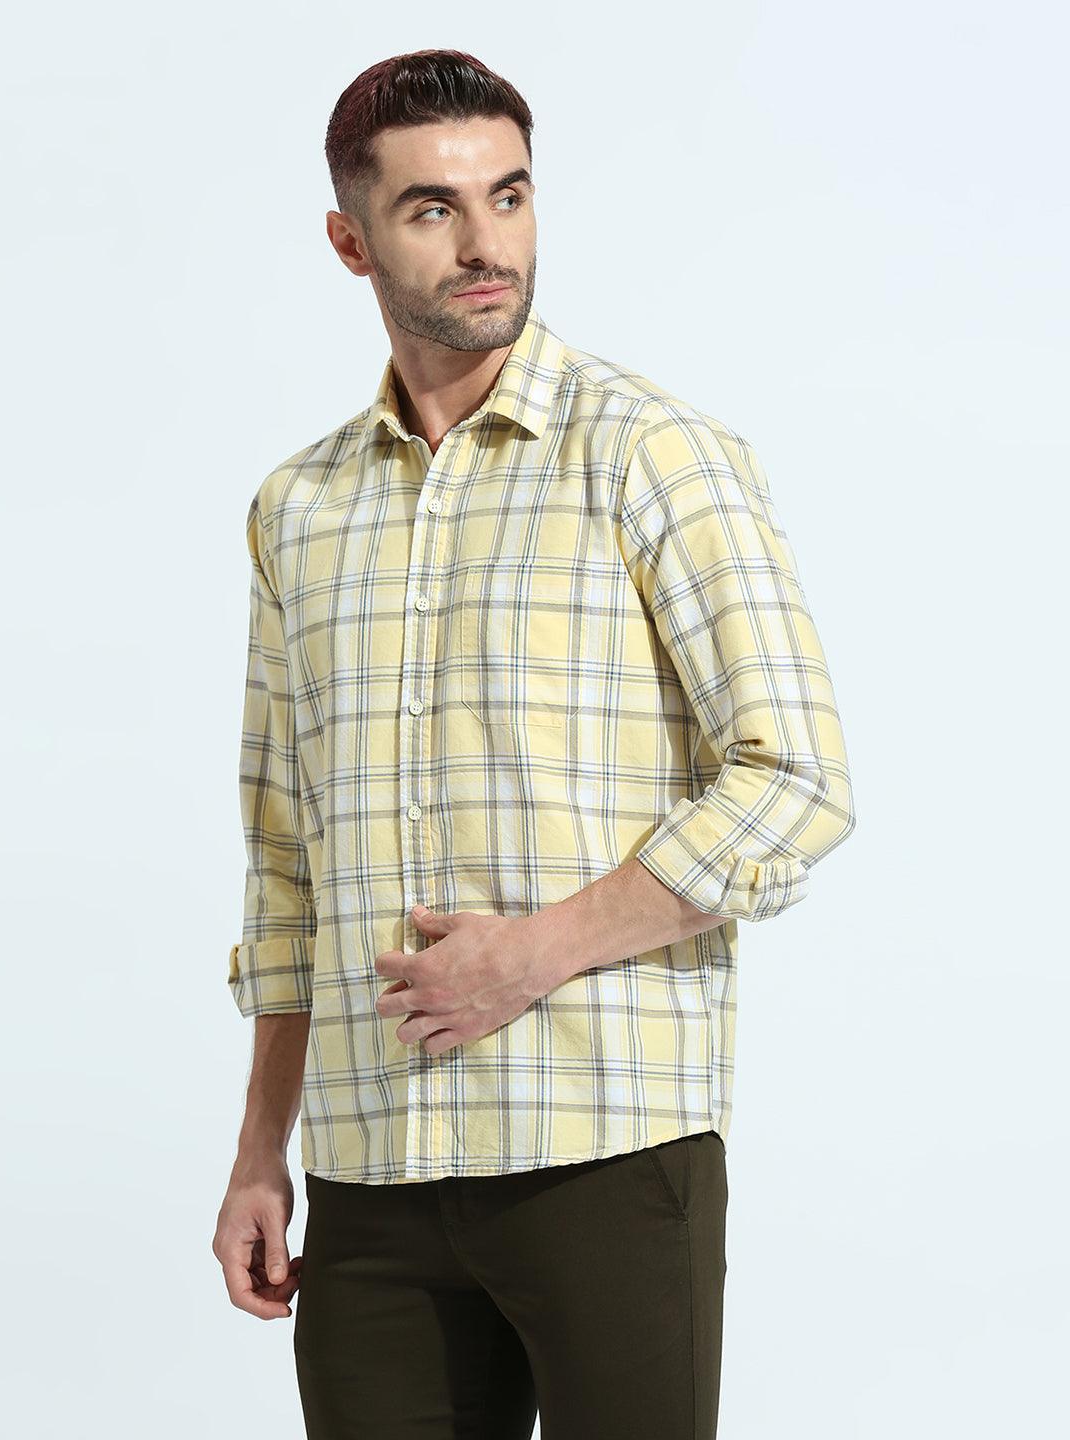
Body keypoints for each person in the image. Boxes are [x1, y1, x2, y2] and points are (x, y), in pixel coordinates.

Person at [211, 48, 856, 1440]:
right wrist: (263, 1150)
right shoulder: (298, 509)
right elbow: (285, 859)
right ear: (350, 240)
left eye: (508, 195)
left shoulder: (651, 454)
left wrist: (531, 955)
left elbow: (795, 781)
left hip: (604, 1152)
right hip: (370, 1173)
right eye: (433, 207)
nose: (485, 242)